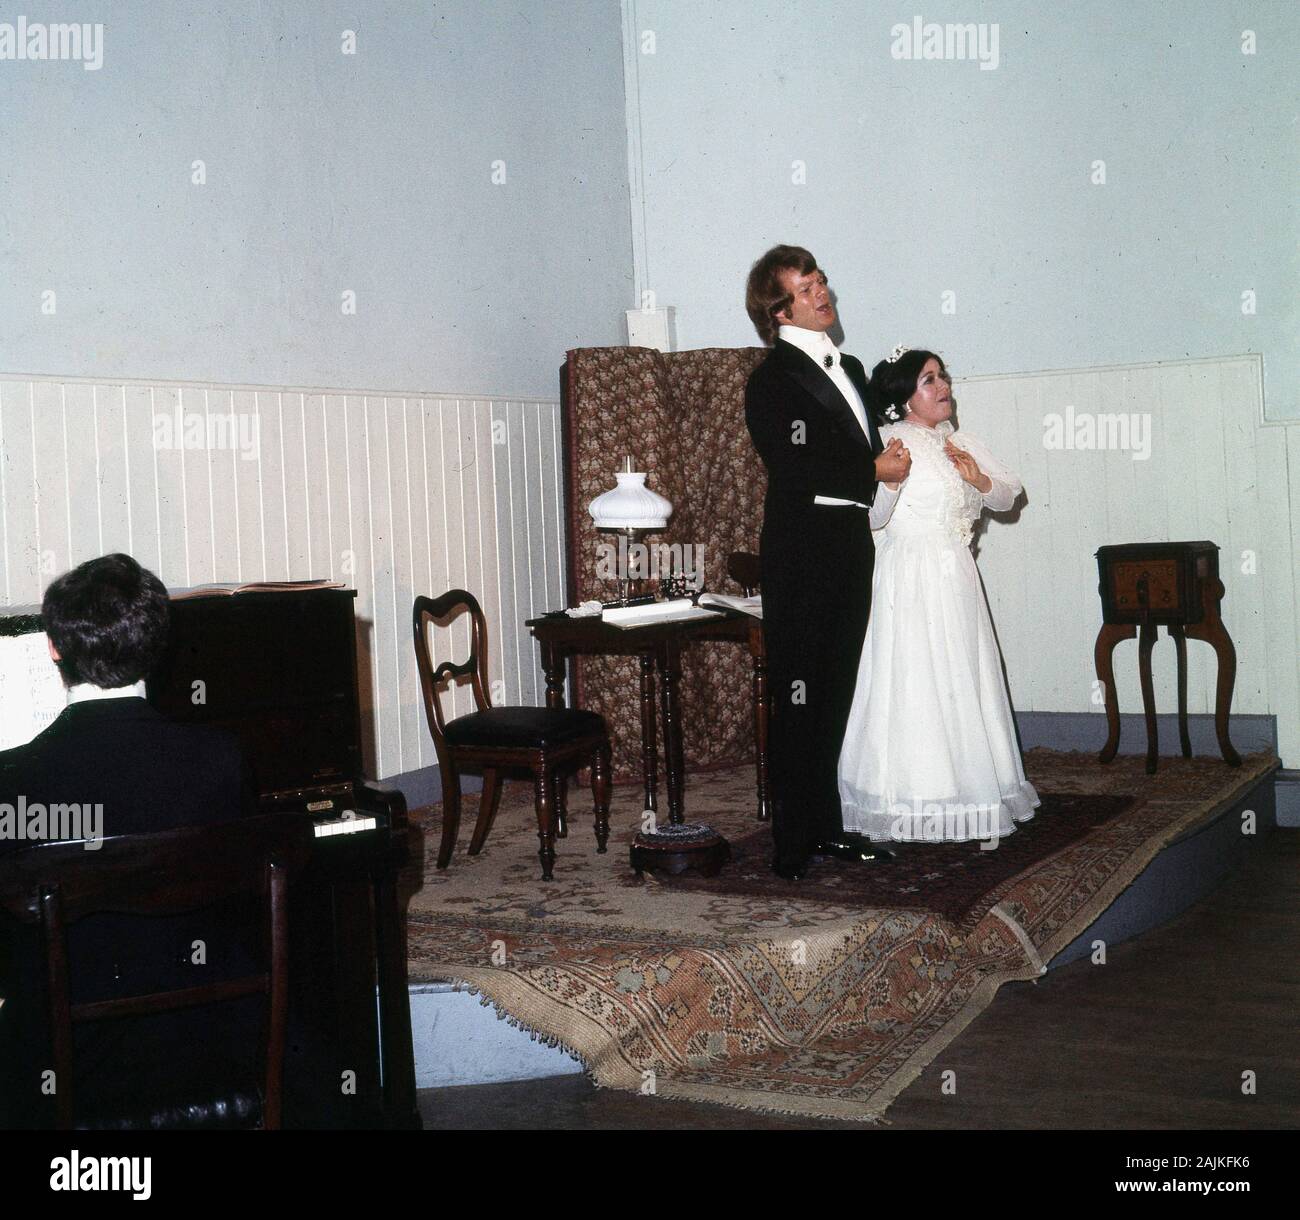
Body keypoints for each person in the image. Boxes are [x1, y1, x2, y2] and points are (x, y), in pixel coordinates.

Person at [0, 553, 256, 1126]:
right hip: (209, 1035)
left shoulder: (12, 780)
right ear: (157, 646)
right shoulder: (219, 758)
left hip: (68, 1061)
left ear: (52, 648)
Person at [744, 246, 912, 879]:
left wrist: (880, 461)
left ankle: (826, 828)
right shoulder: (772, 379)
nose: (823, 292)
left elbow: (853, 451)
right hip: (802, 550)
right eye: (808, 286)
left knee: (835, 689)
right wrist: (871, 468)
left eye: (821, 281)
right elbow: (794, 463)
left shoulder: (853, 366)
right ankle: (791, 845)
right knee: (801, 694)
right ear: (780, 309)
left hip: (847, 543)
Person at [838, 349, 1040, 843]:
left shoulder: (962, 442)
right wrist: (889, 480)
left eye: (943, 376)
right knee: (915, 680)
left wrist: (978, 478)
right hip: (909, 576)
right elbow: (869, 519)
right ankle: (909, 798)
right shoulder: (888, 442)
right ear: (905, 397)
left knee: (962, 676)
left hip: (957, 572)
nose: (942, 385)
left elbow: (1008, 496)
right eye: (928, 380)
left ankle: (968, 791)